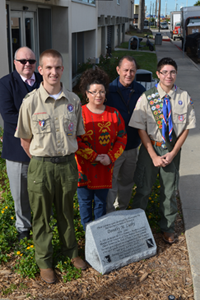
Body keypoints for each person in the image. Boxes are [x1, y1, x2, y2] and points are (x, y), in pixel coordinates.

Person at [15, 49, 86, 284]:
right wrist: (41, 158)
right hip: (41, 168)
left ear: (62, 69)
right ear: (41, 70)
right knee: (41, 216)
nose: (53, 72)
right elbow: (25, 139)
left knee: (66, 212)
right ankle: (45, 262)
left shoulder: (74, 101)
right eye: (48, 68)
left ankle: (71, 252)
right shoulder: (30, 102)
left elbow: (77, 133)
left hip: (66, 165)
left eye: (58, 67)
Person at [129, 57, 196, 244]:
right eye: (164, 72)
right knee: (143, 188)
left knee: (169, 191)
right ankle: (137, 226)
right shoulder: (147, 97)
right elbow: (140, 127)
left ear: (176, 74)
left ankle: (167, 227)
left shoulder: (183, 97)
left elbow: (186, 128)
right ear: (158, 74)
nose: (169, 75)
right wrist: (152, 155)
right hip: (150, 149)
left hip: (171, 150)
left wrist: (173, 153)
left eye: (172, 72)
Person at [75, 68, 127, 230]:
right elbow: (75, 140)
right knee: (84, 204)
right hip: (83, 169)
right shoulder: (79, 113)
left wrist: (110, 157)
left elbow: (122, 138)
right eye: (94, 91)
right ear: (86, 93)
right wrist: (95, 157)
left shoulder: (114, 114)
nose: (98, 95)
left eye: (102, 91)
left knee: (100, 204)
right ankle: (87, 234)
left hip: (105, 168)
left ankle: (99, 235)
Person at [0, 47, 42, 241]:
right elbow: (9, 116)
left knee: (42, 190)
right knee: (20, 193)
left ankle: (42, 225)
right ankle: (23, 228)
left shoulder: (43, 82)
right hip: (17, 149)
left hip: (43, 149)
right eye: (23, 61)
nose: (27, 64)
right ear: (15, 62)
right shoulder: (5, 84)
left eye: (31, 61)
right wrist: (38, 126)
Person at [106, 56, 146, 213]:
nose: (129, 74)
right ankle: (109, 214)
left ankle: (122, 210)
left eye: (132, 71)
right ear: (118, 70)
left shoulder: (140, 91)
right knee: (111, 182)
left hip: (131, 147)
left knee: (127, 182)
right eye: (125, 70)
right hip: (113, 148)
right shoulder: (108, 91)